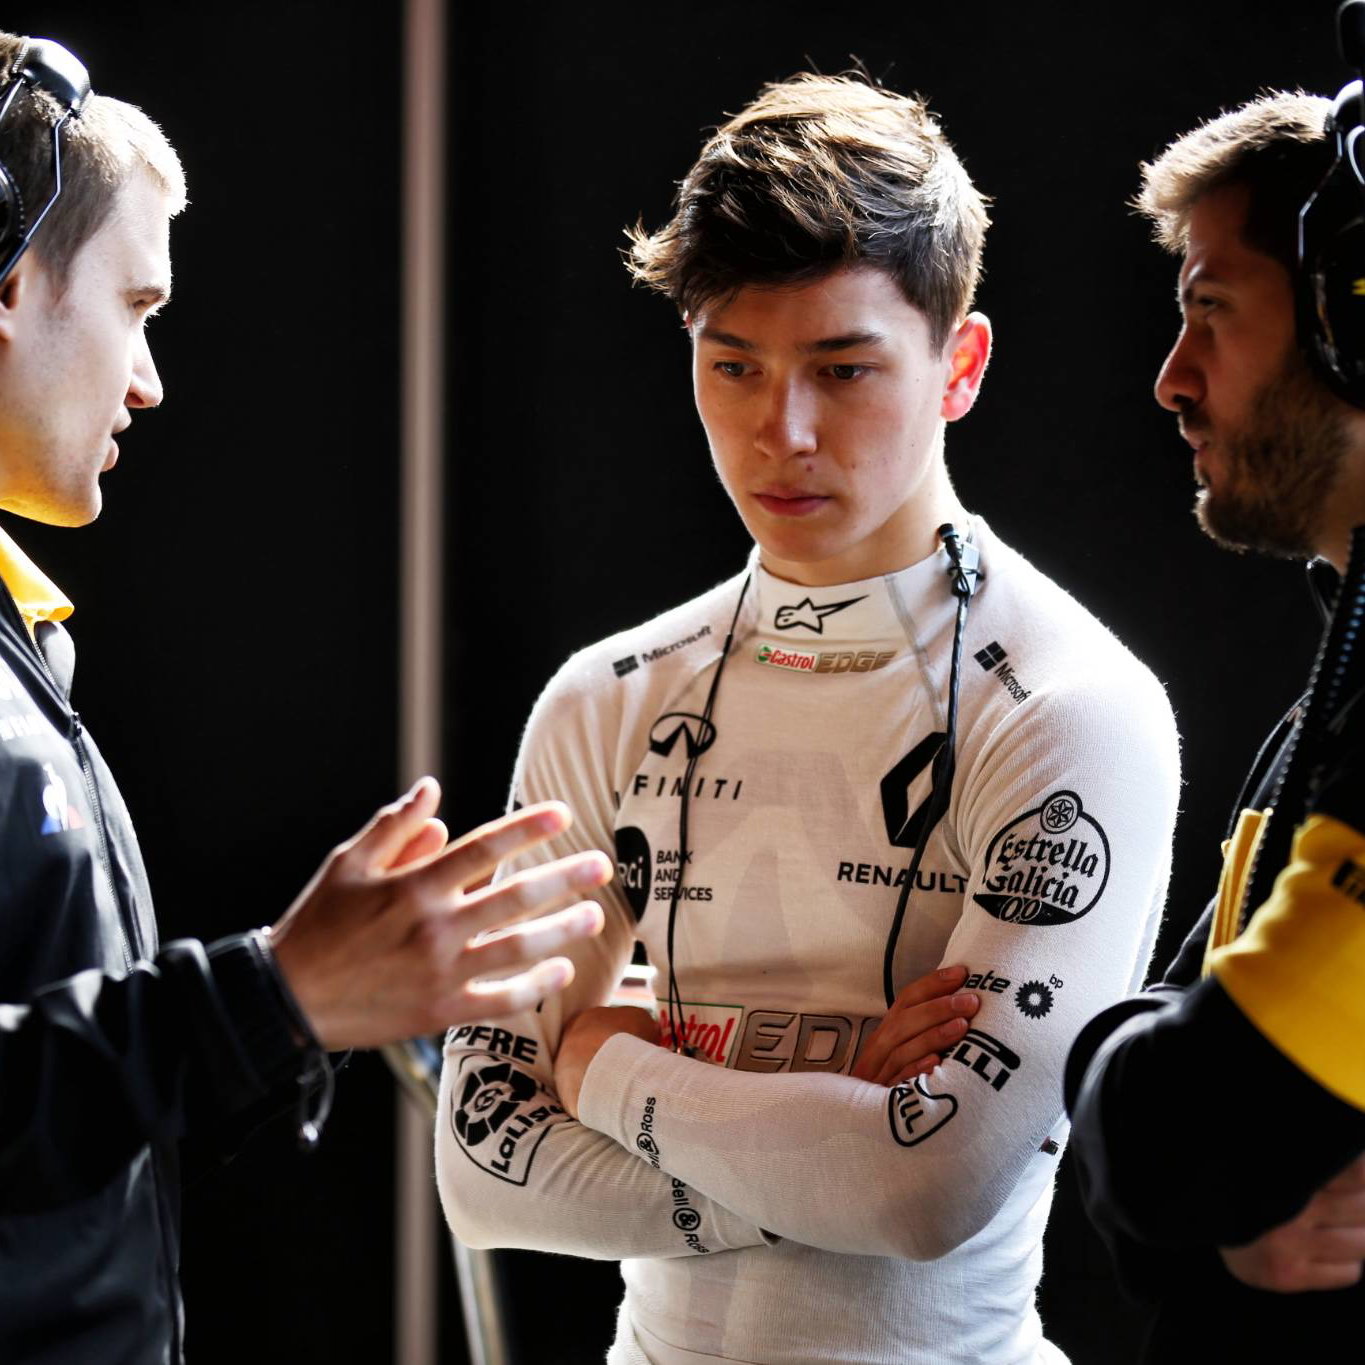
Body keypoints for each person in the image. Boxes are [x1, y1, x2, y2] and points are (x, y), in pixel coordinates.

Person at [435, 73, 1180, 1364]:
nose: (780, 430)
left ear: (960, 367)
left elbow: (925, 1191)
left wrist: (608, 1069)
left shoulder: (1075, 708)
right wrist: (828, 1135)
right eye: (732, 365)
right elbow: (481, 1170)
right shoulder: (605, 697)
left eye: (842, 370)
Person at [0, 31, 611, 1365]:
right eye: (136, 306)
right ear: (8, 281)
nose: (149, 379)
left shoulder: (25, 645)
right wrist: (269, 995)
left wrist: (315, 1004)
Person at [1064, 91, 1365, 1362]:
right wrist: (1206, 1208)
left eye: (1212, 310)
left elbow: (1179, 1133)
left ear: (1352, 323)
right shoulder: (1321, 717)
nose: (1172, 380)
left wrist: (1178, 1149)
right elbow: (1156, 1124)